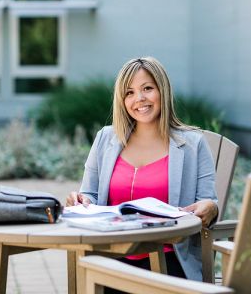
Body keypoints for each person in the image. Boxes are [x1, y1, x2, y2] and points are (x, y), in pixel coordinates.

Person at [66, 56, 218, 282]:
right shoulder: (105, 139)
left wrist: (210, 208)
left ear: (162, 91)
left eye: (147, 88)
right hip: (112, 256)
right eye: (129, 92)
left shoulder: (192, 144)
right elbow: (90, 195)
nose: (139, 98)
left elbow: (208, 202)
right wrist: (81, 201)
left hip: (169, 259)